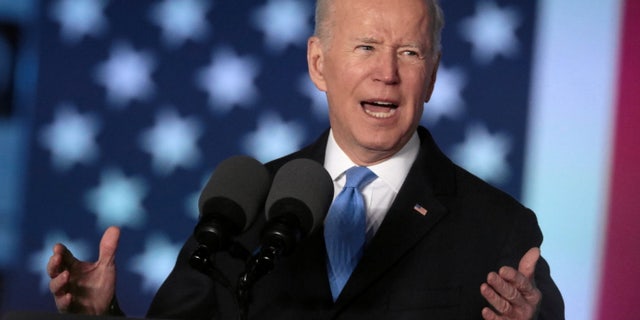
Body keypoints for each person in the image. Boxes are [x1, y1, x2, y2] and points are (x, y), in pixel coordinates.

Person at [47, 0, 565, 318]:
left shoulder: (497, 226)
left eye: (410, 52)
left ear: (432, 74)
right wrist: (104, 314)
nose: (387, 72)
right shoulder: (244, 203)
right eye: (366, 47)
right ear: (319, 64)